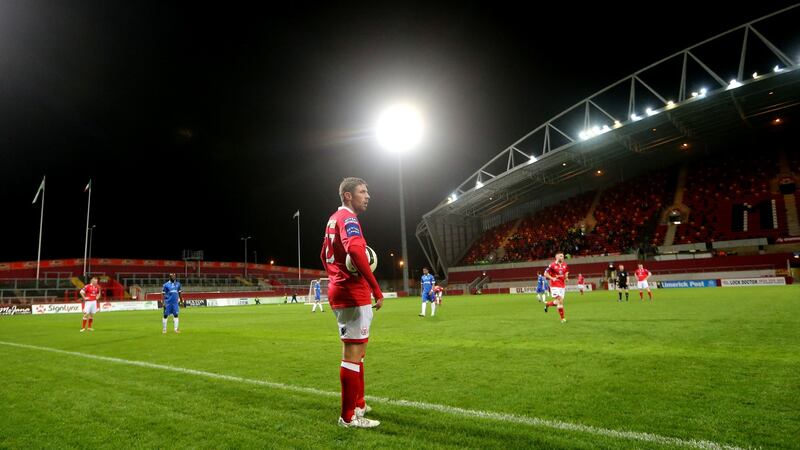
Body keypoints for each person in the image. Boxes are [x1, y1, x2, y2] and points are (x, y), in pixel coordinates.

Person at [320, 177, 384, 428]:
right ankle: (348, 417)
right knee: (352, 355)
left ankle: (359, 403)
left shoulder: (333, 219)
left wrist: (335, 275)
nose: (367, 196)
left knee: (358, 353)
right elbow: (356, 252)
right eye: (362, 191)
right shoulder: (348, 219)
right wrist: (375, 288)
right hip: (352, 293)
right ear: (348, 195)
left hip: (340, 290)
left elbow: (322, 253)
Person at [543, 252, 569, 323]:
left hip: (562, 286)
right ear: (556, 257)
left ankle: (547, 304)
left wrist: (566, 278)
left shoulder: (565, 265)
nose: (562, 257)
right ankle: (562, 319)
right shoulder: (552, 265)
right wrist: (552, 278)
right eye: (561, 256)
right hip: (555, 286)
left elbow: (566, 273)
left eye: (563, 256)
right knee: (560, 300)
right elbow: (545, 274)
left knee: (558, 302)